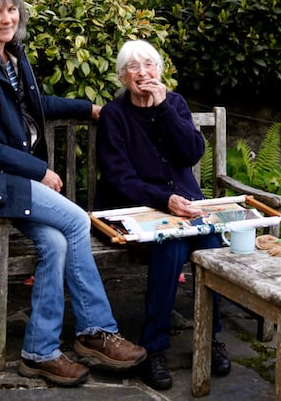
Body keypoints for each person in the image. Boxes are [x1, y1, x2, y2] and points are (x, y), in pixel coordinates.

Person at [0, 0, 146, 387]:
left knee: (54, 241)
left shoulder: (11, 57)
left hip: (12, 184)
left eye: (11, 9)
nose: (6, 18)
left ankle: (39, 352)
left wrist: (90, 109)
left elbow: (38, 104)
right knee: (76, 221)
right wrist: (40, 170)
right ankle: (95, 332)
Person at [94, 39, 231, 391]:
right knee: (170, 247)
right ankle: (154, 347)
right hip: (137, 209)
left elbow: (192, 152)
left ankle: (210, 336)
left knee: (211, 244)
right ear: (123, 77)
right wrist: (164, 198)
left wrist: (166, 110)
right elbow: (118, 178)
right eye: (134, 68)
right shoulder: (114, 115)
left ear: (160, 71)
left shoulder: (176, 104)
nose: (143, 73)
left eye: (150, 65)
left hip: (184, 207)